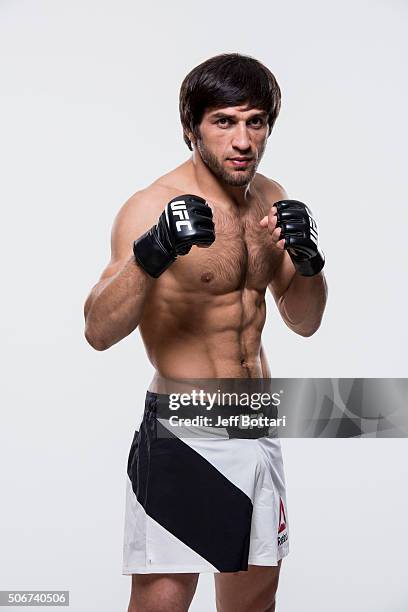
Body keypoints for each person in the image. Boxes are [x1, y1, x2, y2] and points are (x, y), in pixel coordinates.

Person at [84, 52, 328, 612]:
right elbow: (98, 330)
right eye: (224, 121)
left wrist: (310, 263)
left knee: (254, 599)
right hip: (185, 432)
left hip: (257, 423)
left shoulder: (272, 198)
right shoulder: (150, 206)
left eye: (256, 121)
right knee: (163, 602)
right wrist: (152, 251)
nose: (243, 140)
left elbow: (304, 320)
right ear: (191, 128)